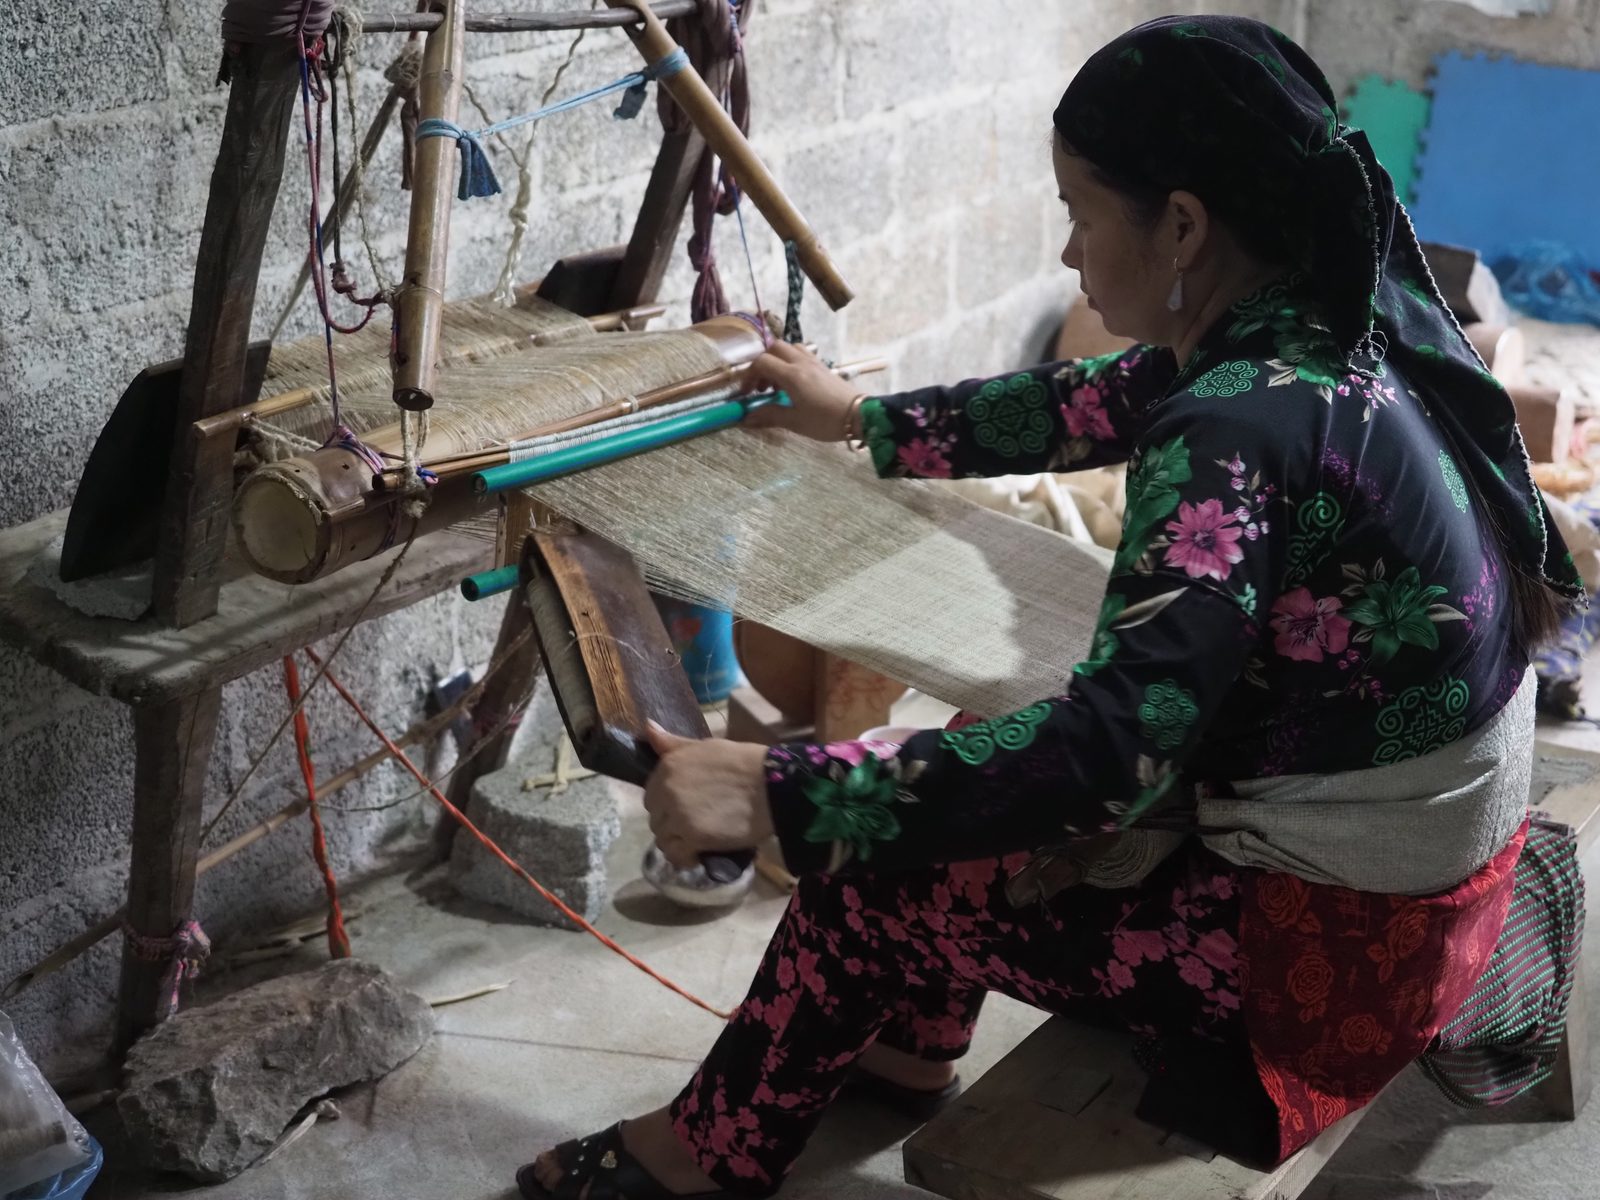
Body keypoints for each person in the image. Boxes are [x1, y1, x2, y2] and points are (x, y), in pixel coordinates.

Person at [519, 15, 1582, 1199]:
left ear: (1180, 223)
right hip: (1435, 905)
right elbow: (1097, 398)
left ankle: (700, 1158)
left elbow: (1106, 761)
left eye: (1078, 211)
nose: (1070, 253)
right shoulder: (1335, 325)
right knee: (964, 763)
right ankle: (905, 1048)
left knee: (874, 853)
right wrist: (859, 422)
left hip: (1326, 970)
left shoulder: (1237, 426)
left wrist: (774, 788)